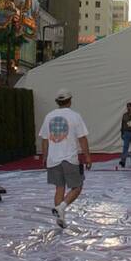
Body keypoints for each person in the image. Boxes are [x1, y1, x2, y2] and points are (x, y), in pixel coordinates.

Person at [39, 88, 91, 228]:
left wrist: (44, 156)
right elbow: (82, 138)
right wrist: (87, 156)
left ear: (57, 102)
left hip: (53, 158)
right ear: (70, 101)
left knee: (59, 188)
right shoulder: (75, 116)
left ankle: (60, 217)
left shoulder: (49, 116)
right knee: (77, 187)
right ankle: (61, 207)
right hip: (69, 158)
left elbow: (44, 139)